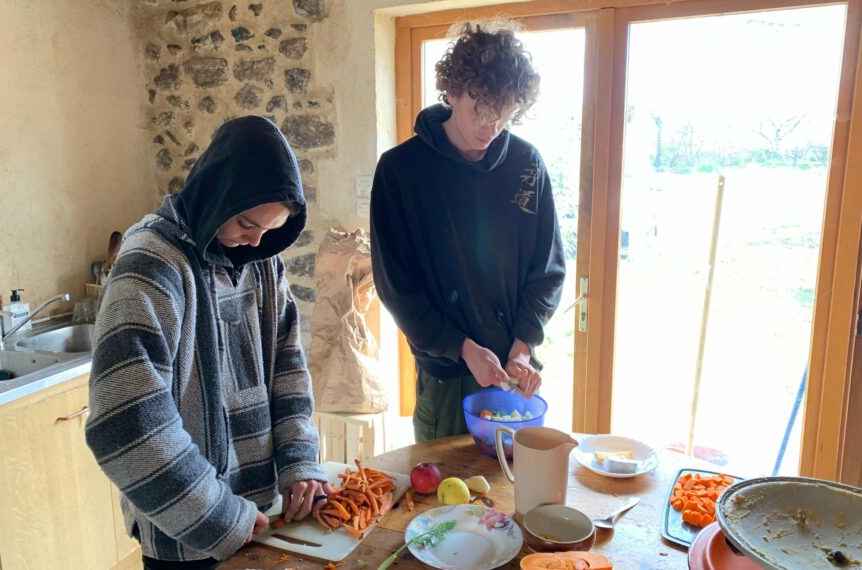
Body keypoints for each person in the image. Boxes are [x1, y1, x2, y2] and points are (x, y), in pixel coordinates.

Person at [85, 115, 331, 569]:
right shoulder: (150, 265)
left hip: (262, 516)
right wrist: (220, 516)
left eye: (270, 229)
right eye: (245, 222)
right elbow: (125, 423)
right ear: (217, 193)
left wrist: (300, 460)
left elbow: (289, 369)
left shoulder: (260, 260)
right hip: (188, 535)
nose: (256, 240)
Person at [370, 20, 566, 442]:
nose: (490, 129)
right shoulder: (400, 171)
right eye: (479, 111)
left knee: (514, 498)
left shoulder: (527, 165)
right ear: (452, 91)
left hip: (514, 373)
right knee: (441, 502)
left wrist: (523, 344)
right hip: (445, 379)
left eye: (503, 116)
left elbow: (547, 270)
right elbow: (396, 288)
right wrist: (461, 347)